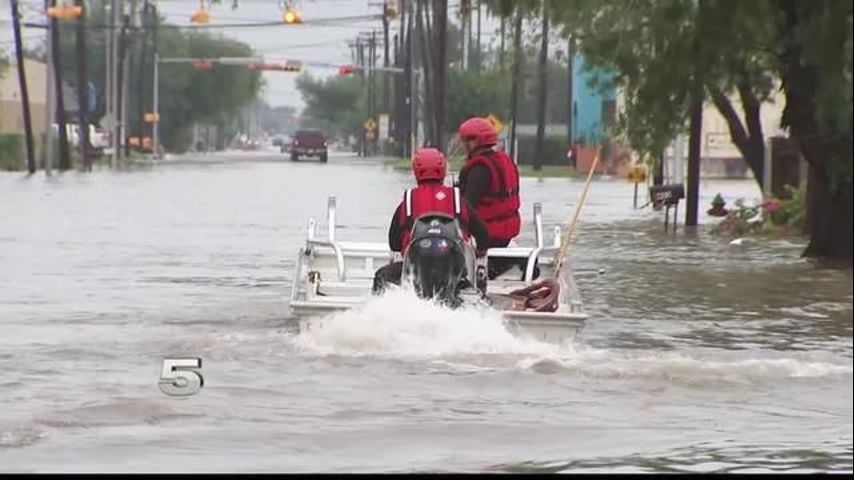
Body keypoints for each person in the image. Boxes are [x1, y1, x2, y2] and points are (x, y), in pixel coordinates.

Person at [372, 148, 490, 294]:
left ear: (416, 171)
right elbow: (483, 234)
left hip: (415, 272)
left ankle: (379, 305)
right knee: (472, 289)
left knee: (381, 276)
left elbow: (394, 242)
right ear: (443, 170)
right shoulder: (457, 200)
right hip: (456, 273)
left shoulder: (408, 201)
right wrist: (479, 255)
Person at [456, 116, 524, 279]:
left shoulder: (479, 169)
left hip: (485, 236)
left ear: (474, 142)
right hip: (506, 234)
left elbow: (466, 207)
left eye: (466, 141)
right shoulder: (505, 161)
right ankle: (510, 263)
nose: (463, 146)